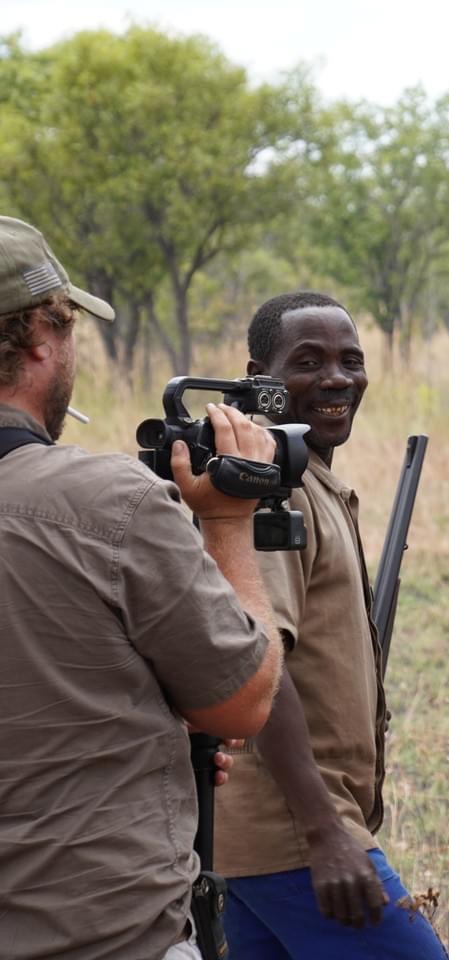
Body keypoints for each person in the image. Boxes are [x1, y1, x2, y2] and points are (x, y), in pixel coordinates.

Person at [0, 216, 283, 959]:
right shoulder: (102, 502)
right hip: (98, 936)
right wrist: (226, 522)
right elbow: (243, 699)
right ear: (38, 335)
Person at [213, 291, 448, 959]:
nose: (336, 379)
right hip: (294, 832)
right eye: (308, 362)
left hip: (260, 840)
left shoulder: (307, 477)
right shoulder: (274, 488)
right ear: (259, 375)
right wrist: (323, 831)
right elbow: (259, 660)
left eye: (351, 360)